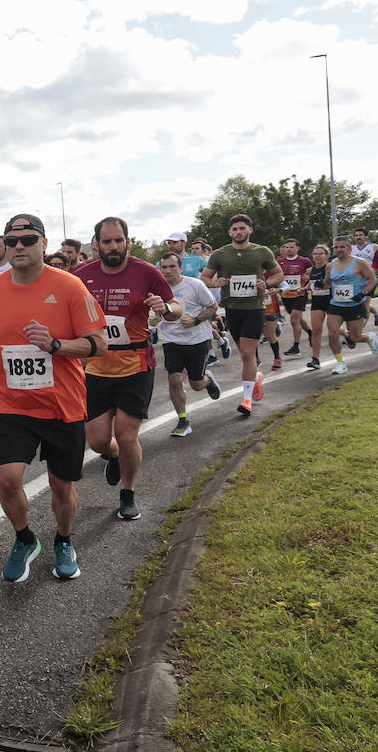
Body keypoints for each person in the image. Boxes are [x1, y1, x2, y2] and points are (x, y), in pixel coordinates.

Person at [0, 214, 106, 583]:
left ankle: (63, 540)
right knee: (8, 480)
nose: (18, 246)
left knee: (61, 486)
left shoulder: (70, 287)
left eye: (27, 239)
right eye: (11, 240)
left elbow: (99, 343)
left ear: (44, 244)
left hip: (62, 404)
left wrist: (56, 345)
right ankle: (25, 538)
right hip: (12, 404)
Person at [73, 217, 180, 522]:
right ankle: (115, 457)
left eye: (118, 240)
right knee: (96, 441)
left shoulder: (147, 272)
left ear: (127, 242)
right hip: (94, 368)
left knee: (126, 434)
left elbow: (176, 308)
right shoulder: (81, 274)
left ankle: (128, 493)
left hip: (135, 365)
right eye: (107, 241)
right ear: (97, 244)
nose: (113, 246)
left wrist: (166, 309)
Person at [200, 214, 283, 417]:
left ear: (249, 230)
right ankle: (256, 378)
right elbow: (205, 277)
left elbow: (278, 274)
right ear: (230, 232)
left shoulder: (261, 251)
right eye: (235, 229)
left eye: (242, 228)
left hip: (254, 308)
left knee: (247, 354)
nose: (238, 232)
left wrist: (267, 283)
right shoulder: (220, 254)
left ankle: (246, 399)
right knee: (246, 354)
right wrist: (215, 283)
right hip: (232, 310)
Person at [152, 253, 220, 437]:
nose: (167, 271)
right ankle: (183, 420)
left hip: (197, 340)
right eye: (163, 267)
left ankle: (208, 380)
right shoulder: (157, 289)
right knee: (174, 380)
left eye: (172, 266)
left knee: (196, 384)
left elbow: (213, 307)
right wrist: (154, 318)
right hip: (172, 340)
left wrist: (195, 320)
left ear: (180, 268)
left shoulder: (195, 284)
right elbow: (157, 314)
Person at [325, 236, 378, 374]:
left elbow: (373, 279)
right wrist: (321, 283)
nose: (338, 249)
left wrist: (362, 293)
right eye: (336, 247)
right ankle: (340, 363)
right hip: (336, 304)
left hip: (355, 305)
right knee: (332, 333)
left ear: (349, 248)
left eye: (342, 247)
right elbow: (328, 282)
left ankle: (369, 338)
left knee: (355, 337)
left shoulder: (359, 263)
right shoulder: (330, 265)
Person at [274, 238, 313, 356]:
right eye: (286, 247)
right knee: (298, 320)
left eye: (292, 247)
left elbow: (314, 273)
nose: (289, 249)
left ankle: (296, 347)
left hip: (300, 293)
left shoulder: (305, 261)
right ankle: (310, 333)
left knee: (294, 319)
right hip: (286, 295)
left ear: (298, 248)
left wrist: (308, 281)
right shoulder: (278, 261)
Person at [305, 244, 331, 370]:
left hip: (331, 301)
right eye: (315, 254)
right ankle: (315, 359)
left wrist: (325, 284)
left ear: (327, 256)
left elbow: (332, 282)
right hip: (317, 301)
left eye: (320, 253)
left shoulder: (330, 267)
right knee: (316, 331)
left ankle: (347, 335)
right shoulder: (310, 270)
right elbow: (311, 283)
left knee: (334, 330)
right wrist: (303, 289)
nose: (317, 256)